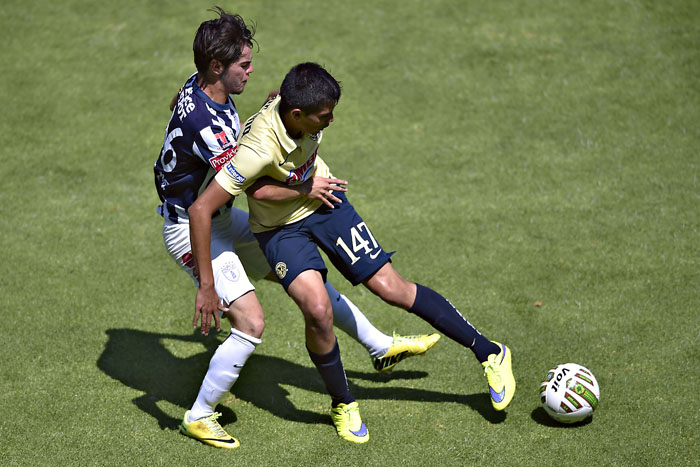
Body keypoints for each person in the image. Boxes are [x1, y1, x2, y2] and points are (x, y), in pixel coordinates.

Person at [153, 9, 439, 449]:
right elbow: (221, 202)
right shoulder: (208, 126)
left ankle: (380, 346)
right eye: (243, 65)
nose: (250, 71)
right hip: (195, 226)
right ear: (216, 66)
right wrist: (206, 285)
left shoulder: (200, 90)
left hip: (222, 219)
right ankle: (199, 414)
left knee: (308, 287)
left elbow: (183, 104)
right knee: (250, 321)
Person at [189, 62, 517, 444]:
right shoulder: (257, 148)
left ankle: (490, 352)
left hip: (326, 202)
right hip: (279, 229)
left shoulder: (288, 102)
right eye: (323, 116)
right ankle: (343, 402)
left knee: (391, 287)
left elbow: (272, 100)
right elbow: (229, 200)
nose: (330, 121)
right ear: (297, 114)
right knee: (316, 308)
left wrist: (311, 188)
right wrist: (207, 285)